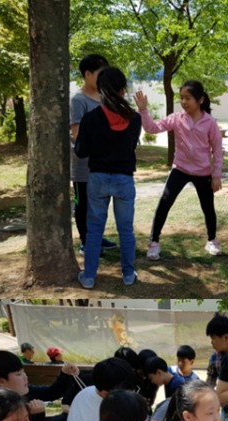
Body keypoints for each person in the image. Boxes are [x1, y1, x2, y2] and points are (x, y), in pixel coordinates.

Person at [135, 80, 224, 260]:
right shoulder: (176, 118)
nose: (183, 102)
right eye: (181, 98)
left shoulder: (210, 123)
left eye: (188, 98)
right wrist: (143, 110)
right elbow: (152, 128)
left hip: (203, 172)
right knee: (165, 202)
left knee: (208, 207)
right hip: (180, 169)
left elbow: (217, 150)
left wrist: (216, 176)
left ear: (200, 100)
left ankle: (212, 240)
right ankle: (154, 242)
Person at [75, 66, 142, 289]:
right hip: (124, 179)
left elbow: (81, 151)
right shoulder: (134, 118)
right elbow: (131, 146)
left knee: (94, 230)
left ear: (101, 90)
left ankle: (89, 277)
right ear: (123, 90)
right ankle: (128, 274)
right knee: (126, 230)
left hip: (98, 178)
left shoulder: (90, 118)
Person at [70, 53, 116, 256]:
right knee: (84, 205)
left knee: (101, 204)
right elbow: (77, 133)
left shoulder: (105, 97)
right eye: (100, 74)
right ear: (87, 74)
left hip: (104, 163)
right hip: (84, 165)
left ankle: (96, 237)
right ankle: (85, 241)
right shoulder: (78, 100)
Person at [0, 349, 79, 421]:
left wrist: (65, 374)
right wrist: (61, 408)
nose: (25, 377)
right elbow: (39, 410)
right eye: (19, 374)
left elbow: (51, 393)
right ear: (1, 381)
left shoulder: (26, 391)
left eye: (24, 372)